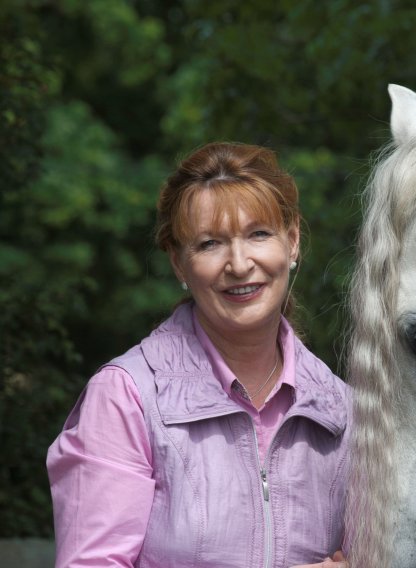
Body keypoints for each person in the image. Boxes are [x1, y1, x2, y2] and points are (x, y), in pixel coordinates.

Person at [47, 142, 350, 568]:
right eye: (210, 244)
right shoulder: (126, 397)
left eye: (259, 234)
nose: (240, 264)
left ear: (293, 241)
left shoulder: (345, 412)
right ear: (178, 262)